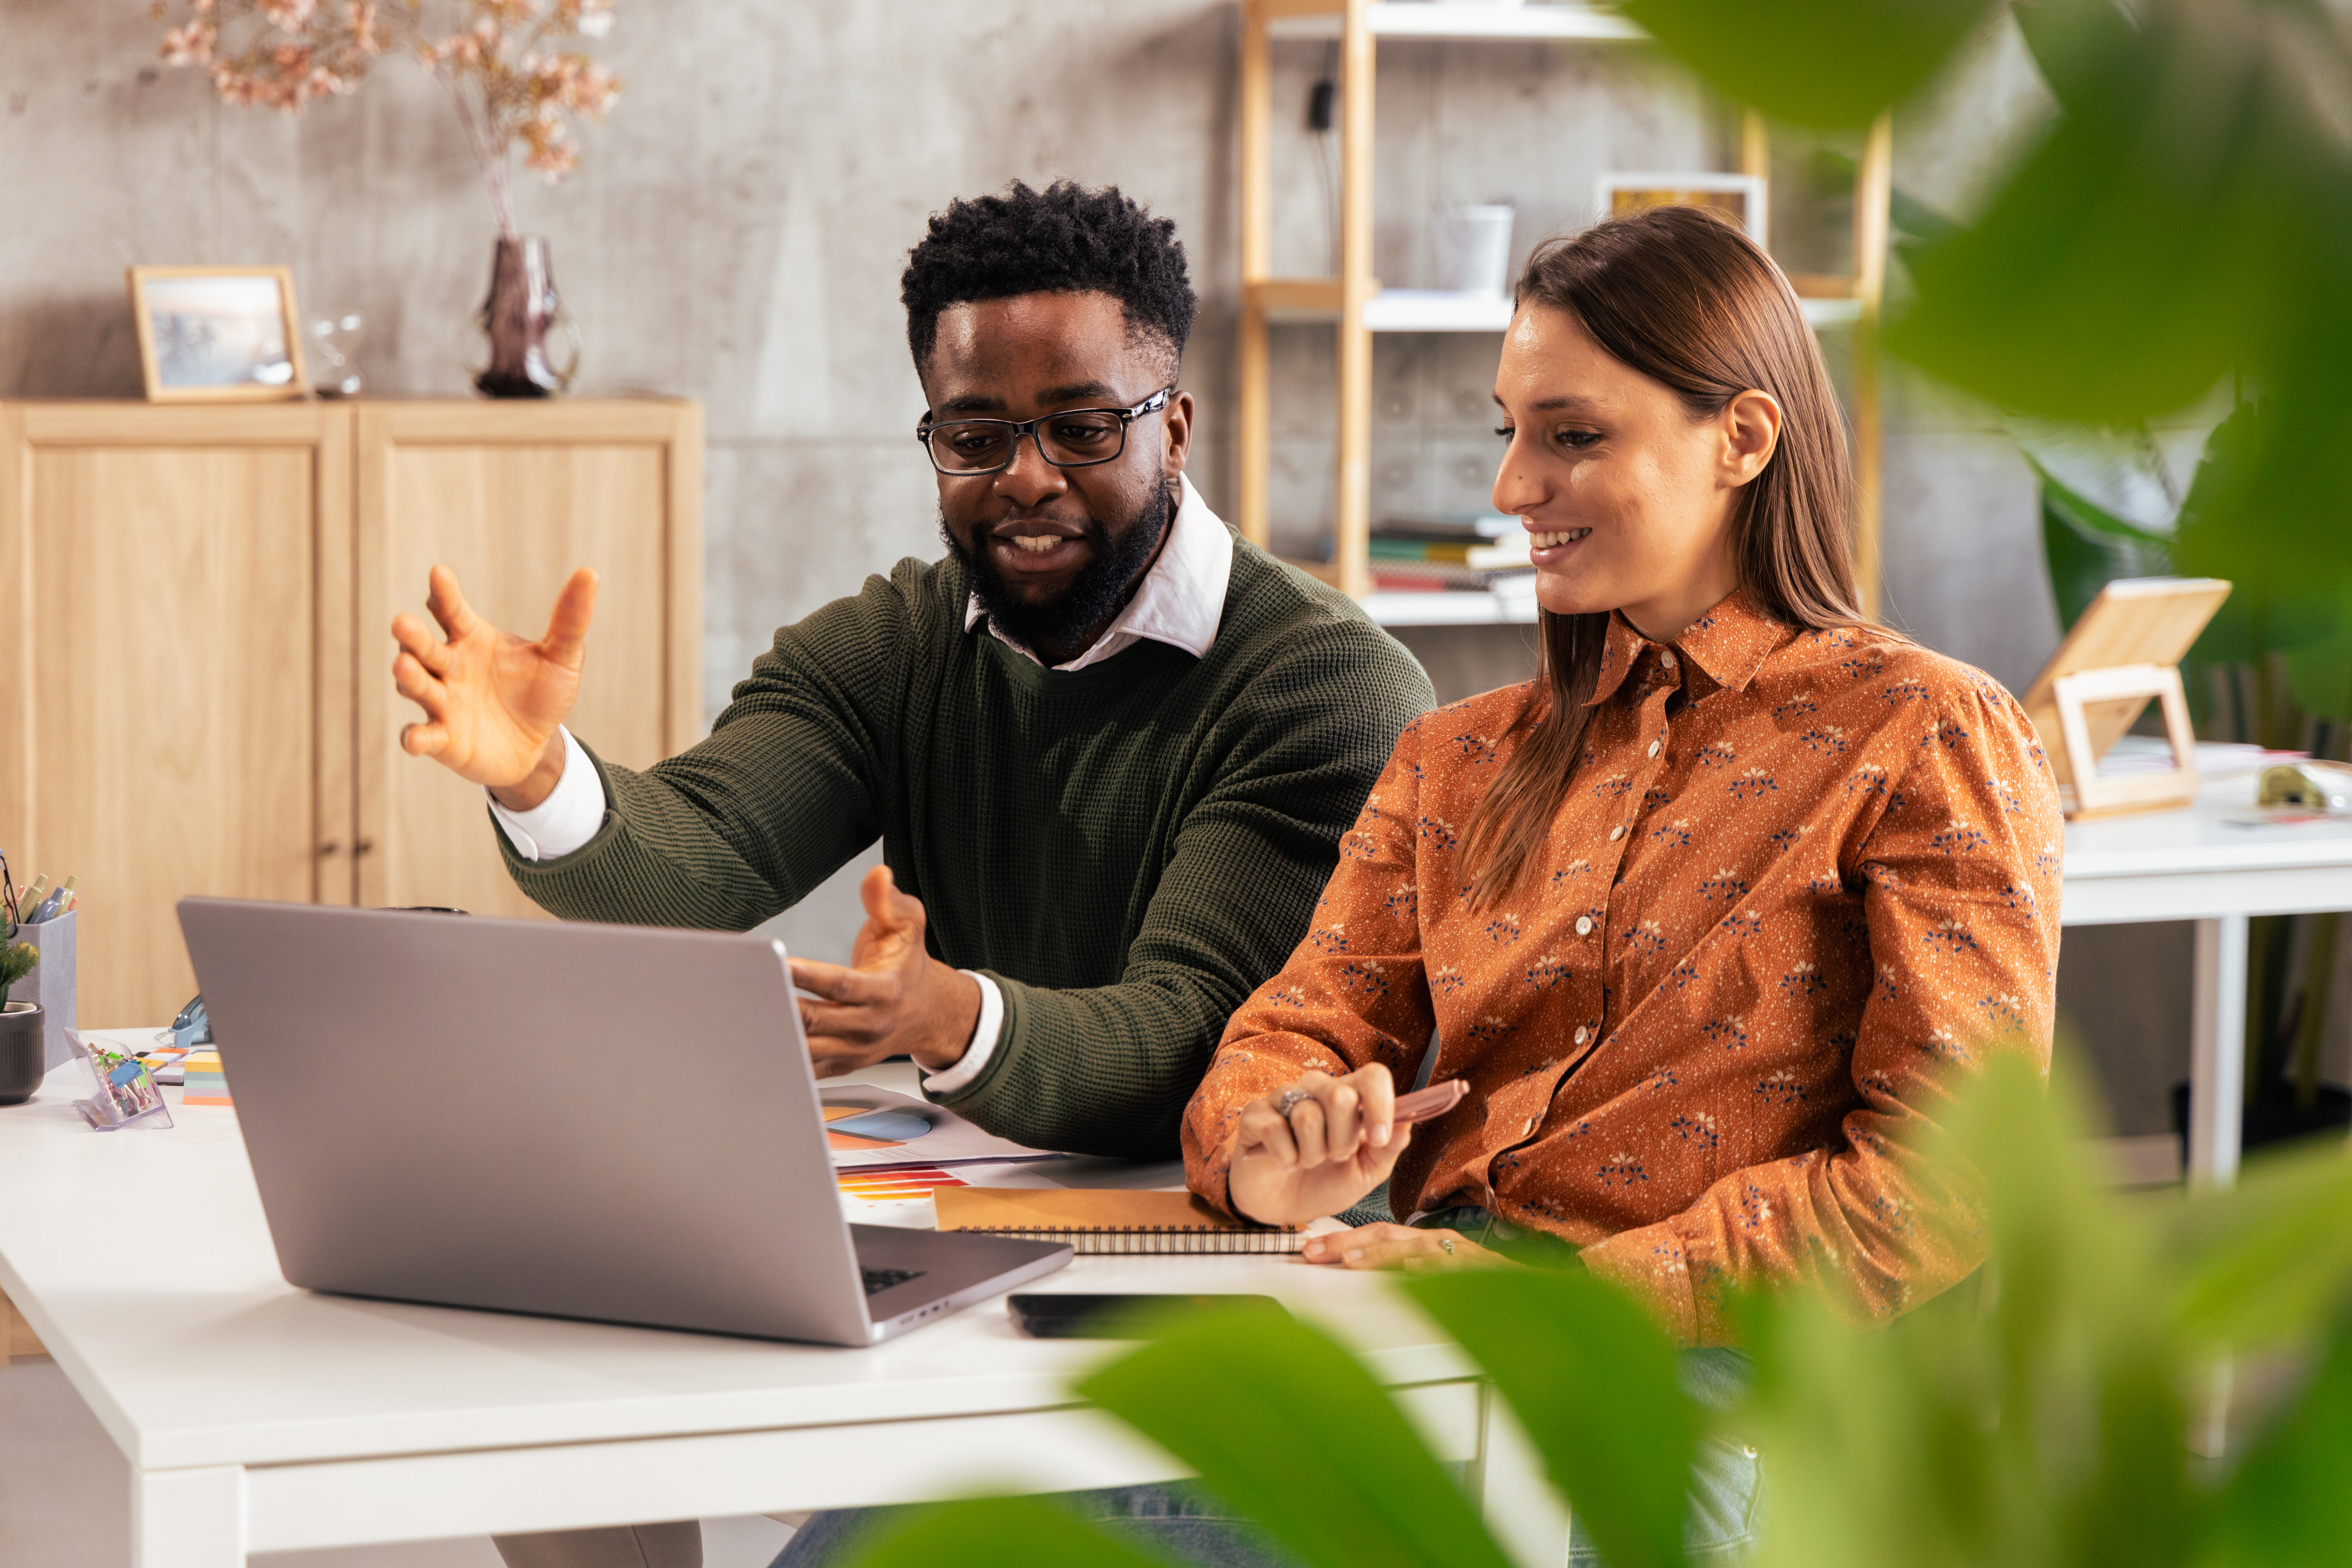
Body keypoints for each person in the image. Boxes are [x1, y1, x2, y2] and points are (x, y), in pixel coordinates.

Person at [390, 181, 1432, 1568]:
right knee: (546, 1347)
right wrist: (541, 775)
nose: (1027, 477)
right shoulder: (903, 641)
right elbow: (697, 860)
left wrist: (950, 1020)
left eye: (1083, 426)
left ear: (1173, 426)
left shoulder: (1322, 683)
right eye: (975, 434)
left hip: (1227, 1295)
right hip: (983, 1231)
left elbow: (1190, 1036)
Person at [1185, 204, 2063, 1341]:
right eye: (1507, 431)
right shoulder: (1453, 760)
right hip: (1421, 1318)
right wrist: (1275, 1155)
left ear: (1744, 440)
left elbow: (1950, 1184)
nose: (1511, 490)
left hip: (1704, 1380)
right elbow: (1292, 1035)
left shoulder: (1926, 734)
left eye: (1573, 437)